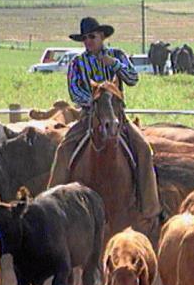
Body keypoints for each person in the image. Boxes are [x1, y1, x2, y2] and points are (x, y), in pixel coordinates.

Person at [48, 17, 161, 223]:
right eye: (85, 38)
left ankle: (150, 209)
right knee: (64, 149)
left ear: (102, 37)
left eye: (92, 36)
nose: (88, 41)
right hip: (89, 116)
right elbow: (74, 92)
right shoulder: (77, 63)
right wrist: (95, 100)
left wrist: (115, 65)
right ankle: (51, 207)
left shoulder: (118, 55)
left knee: (143, 148)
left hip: (118, 116)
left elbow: (133, 79)